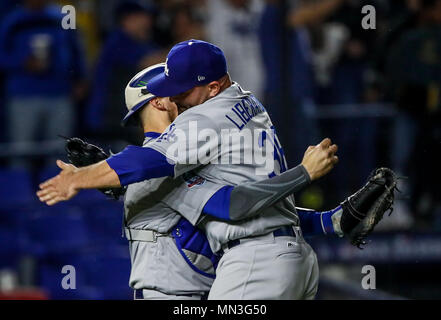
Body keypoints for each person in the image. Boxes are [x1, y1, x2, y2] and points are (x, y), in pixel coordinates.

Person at [37, 40, 339, 299]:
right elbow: (239, 201)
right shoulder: (249, 104)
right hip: (209, 281)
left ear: (213, 87)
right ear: (158, 103)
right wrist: (327, 221)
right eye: (170, 91)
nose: (175, 96)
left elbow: (234, 203)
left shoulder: (189, 139)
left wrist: (86, 177)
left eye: (179, 89)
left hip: (249, 265)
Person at [0, 0, 86, 168]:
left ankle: (58, 193)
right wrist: (22, 63)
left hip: (60, 93)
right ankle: (19, 193)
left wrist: (81, 78)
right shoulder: (12, 19)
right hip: (23, 96)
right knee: (20, 151)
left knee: (60, 153)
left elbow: (76, 49)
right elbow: (2, 56)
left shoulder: (64, 16)